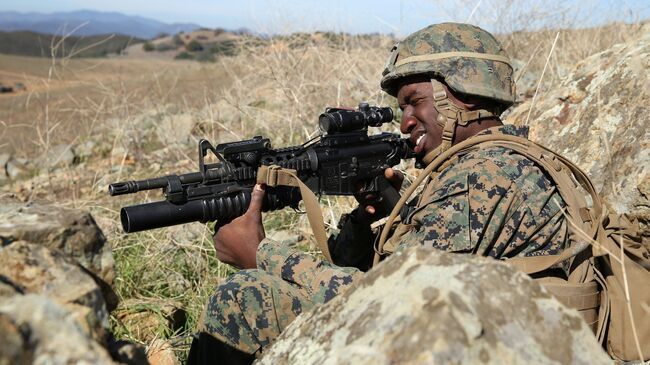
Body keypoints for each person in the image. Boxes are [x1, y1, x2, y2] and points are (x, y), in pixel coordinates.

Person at [187, 22, 575, 364]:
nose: (405, 122)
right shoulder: (497, 160)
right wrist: (367, 222)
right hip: (490, 334)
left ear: (464, 94)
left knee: (245, 295)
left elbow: (396, 304)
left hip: (498, 346)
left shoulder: (486, 175)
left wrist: (261, 253)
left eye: (415, 102)